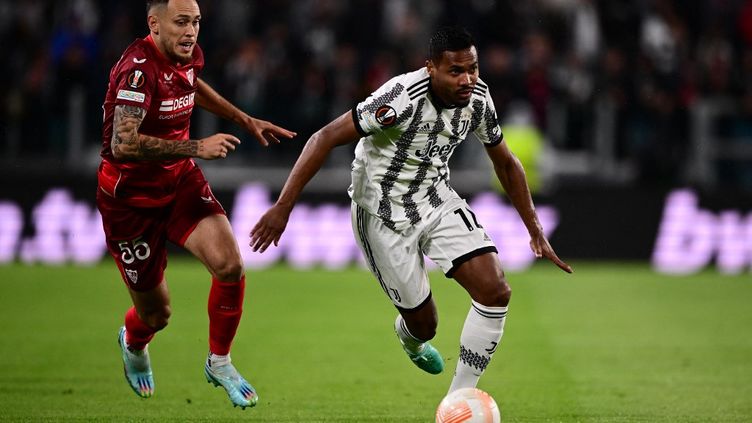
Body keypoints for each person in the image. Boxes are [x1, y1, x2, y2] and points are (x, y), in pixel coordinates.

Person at [250, 26, 572, 394]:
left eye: (473, 68)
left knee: (495, 290)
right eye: (455, 71)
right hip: (382, 214)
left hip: (435, 200)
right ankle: (410, 336)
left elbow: (507, 163)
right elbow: (324, 137)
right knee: (425, 326)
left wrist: (533, 228)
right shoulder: (398, 98)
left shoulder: (479, 99)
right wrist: (282, 207)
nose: (467, 79)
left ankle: (458, 401)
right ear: (430, 68)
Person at [96, 0, 295, 409]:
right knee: (157, 316)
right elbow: (123, 142)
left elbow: (190, 85)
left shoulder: (183, 55)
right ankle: (133, 342)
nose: (191, 31)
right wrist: (196, 146)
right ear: (154, 23)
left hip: (178, 181)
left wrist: (244, 119)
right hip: (130, 201)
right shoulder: (139, 70)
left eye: (197, 22)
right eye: (182, 22)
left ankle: (219, 361)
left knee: (230, 264)